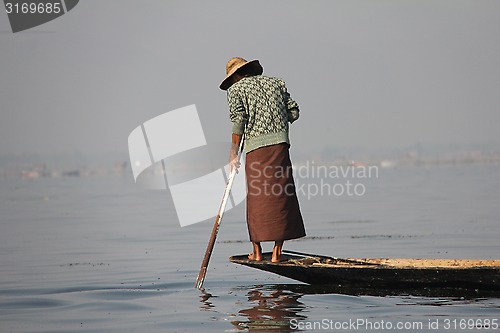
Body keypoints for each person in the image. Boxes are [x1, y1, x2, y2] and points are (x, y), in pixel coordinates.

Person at [220, 57, 306, 262]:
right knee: (281, 195)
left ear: (234, 77)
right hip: (280, 146)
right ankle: (277, 252)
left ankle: (257, 252)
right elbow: (294, 112)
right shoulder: (277, 83)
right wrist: (275, 118)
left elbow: (239, 121)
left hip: (256, 149)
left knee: (257, 198)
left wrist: (234, 153)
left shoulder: (235, 90)